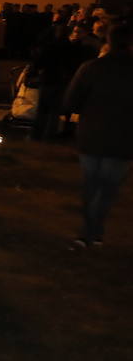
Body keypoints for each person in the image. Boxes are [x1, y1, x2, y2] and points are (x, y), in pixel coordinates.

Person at [62, 23, 133, 250]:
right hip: (124, 139)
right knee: (108, 188)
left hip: (92, 135)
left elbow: (70, 102)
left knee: (91, 185)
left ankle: (87, 232)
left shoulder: (91, 67)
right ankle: (94, 231)